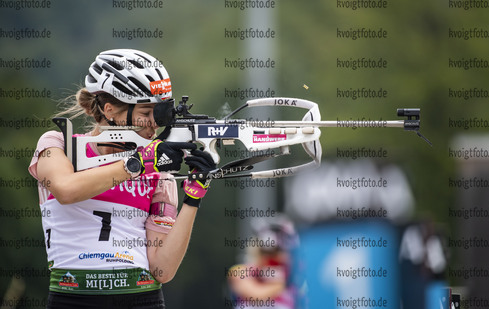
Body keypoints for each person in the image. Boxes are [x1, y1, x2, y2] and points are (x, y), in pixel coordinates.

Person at [28, 49, 215, 308]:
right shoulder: (57, 144)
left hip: (142, 299)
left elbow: (162, 270)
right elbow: (66, 190)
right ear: (110, 109)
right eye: (147, 112)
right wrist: (139, 164)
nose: (154, 124)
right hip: (71, 299)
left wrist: (193, 198)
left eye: (160, 115)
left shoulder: (158, 172)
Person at [227, 215, 298, 309]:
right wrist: (280, 283)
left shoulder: (293, 276)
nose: (269, 257)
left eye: (277, 251)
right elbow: (255, 295)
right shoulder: (240, 272)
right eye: (264, 251)